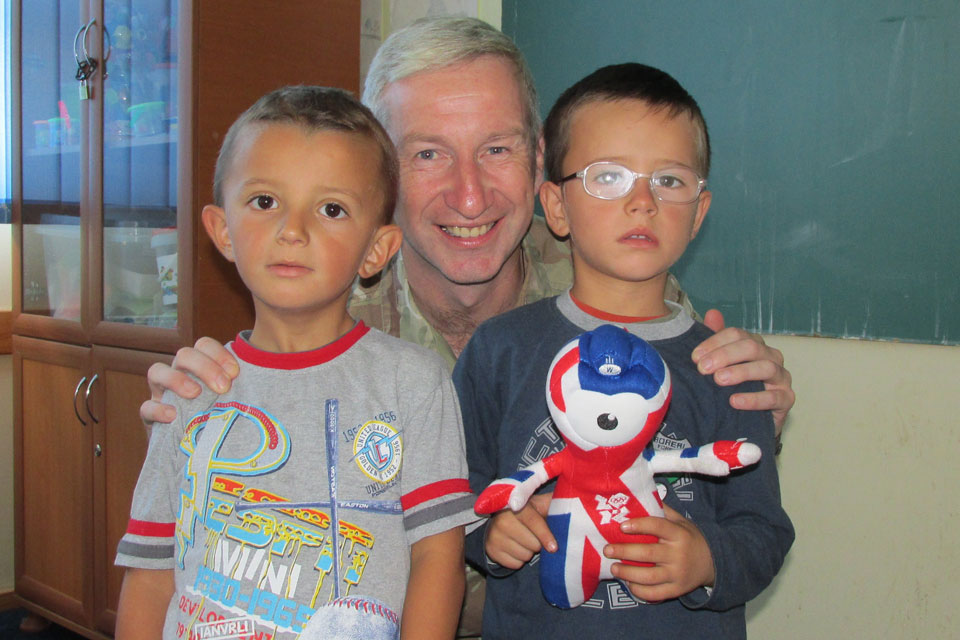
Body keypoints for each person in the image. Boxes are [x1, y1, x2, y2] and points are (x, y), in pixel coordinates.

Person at [135, 17, 796, 635]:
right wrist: (198, 427)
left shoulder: (616, 275)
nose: (471, 195)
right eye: (428, 155)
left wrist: (757, 413)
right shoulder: (320, 308)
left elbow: (709, 476)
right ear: (382, 177)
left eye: (497, 148)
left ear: (540, 161)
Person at [114, 86, 476, 640]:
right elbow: (150, 573)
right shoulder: (190, 389)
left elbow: (438, 559)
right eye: (264, 202)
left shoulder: (414, 383)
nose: (292, 230)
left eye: (331, 209)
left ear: (376, 250)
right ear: (221, 230)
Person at [452, 63, 794, 639]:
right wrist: (486, 533)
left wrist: (709, 559)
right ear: (556, 207)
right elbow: (452, 487)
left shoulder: (725, 367)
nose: (643, 202)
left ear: (699, 214)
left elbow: (763, 529)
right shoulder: (500, 349)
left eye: (670, 181)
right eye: (608, 177)